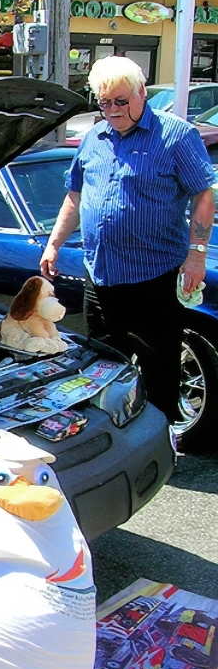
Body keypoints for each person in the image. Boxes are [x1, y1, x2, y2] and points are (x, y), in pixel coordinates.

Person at [40, 56, 215, 424]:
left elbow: (203, 194)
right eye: (104, 103)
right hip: (100, 276)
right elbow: (75, 195)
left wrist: (196, 256)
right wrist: (54, 244)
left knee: (159, 369)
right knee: (101, 368)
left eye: (121, 101)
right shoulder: (93, 138)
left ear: (141, 94)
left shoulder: (175, 135)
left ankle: (160, 445)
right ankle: (111, 442)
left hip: (154, 277)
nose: (113, 111)